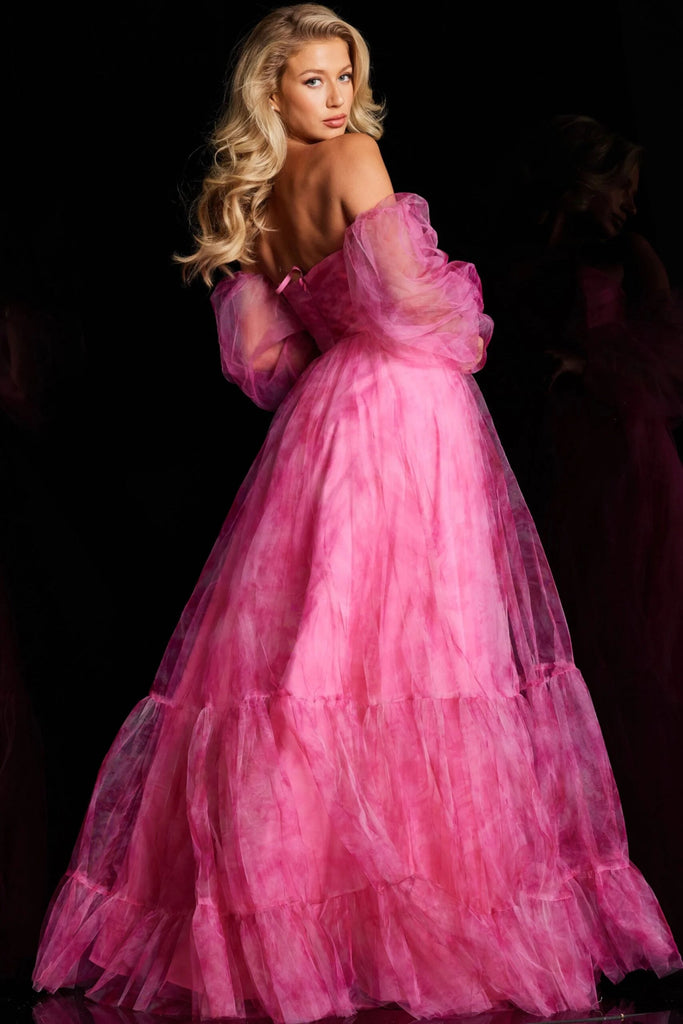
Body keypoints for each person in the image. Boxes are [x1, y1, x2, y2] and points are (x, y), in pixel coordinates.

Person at [32, 10, 681, 1023]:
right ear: (270, 91)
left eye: (344, 76)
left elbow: (262, 360)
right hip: (405, 412)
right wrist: (464, 326)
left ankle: (310, 932)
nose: (336, 98)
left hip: (326, 419)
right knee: (421, 653)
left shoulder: (251, 198)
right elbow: (410, 307)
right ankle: (409, 921)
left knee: (321, 659)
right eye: (312, 80)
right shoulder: (353, 160)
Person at [479, 114, 683, 945]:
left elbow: (670, 358)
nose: (629, 201)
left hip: (622, 456)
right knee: (568, 642)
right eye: (618, 185)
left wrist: (590, 365)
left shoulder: (629, 254)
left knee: (631, 641)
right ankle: (568, 891)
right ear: (579, 183)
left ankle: (651, 881)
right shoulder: (522, 258)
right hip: (554, 457)